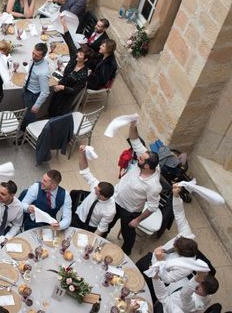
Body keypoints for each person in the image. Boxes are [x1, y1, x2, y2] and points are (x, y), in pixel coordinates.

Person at [137, 183, 203, 304]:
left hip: (157, 277)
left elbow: (167, 278)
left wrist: (160, 261)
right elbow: (179, 213)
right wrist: (176, 196)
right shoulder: (186, 234)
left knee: (144, 294)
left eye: (175, 248)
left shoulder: (186, 268)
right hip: (150, 260)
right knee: (136, 270)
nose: (173, 246)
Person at [105, 120, 162, 255]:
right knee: (107, 223)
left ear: (147, 166)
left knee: (128, 234)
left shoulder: (154, 186)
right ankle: (101, 239)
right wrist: (133, 126)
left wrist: (138, 220)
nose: (138, 159)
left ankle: (126, 253)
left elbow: (153, 206)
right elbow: (135, 141)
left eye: (141, 159)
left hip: (130, 211)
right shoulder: (145, 161)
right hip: (116, 199)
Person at [47, 16, 90, 117]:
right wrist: (64, 24)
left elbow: (74, 90)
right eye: (78, 53)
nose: (77, 55)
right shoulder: (75, 57)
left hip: (65, 97)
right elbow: (69, 41)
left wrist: (62, 87)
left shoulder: (83, 74)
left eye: (80, 55)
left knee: (58, 113)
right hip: (59, 89)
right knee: (52, 108)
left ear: (85, 59)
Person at [62, 18, 118, 91]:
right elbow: (94, 62)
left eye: (103, 46)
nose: (100, 47)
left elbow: (101, 80)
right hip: (91, 73)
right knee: (76, 57)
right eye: (101, 45)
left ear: (108, 50)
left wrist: (89, 73)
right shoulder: (102, 55)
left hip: (94, 83)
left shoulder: (109, 64)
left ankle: (69, 90)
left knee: (75, 77)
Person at [71, 146, 116, 236]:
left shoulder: (110, 210)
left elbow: (102, 228)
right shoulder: (97, 185)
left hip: (90, 227)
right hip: (78, 216)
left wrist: (92, 240)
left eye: (97, 190)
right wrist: (83, 154)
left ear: (103, 197)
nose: (94, 188)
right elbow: (85, 171)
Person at [152, 272, 218, 313]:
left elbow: (184, 293)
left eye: (197, 282)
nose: (196, 282)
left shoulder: (191, 300)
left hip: (165, 309)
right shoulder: (208, 297)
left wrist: (155, 277)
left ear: (200, 290)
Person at [20, 42, 50, 130]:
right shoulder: (35, 60)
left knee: (29, 117)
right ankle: (22, 125)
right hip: (27, 89)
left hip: (33, 95)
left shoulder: (43, 73)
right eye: (33, 53)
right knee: (25, 112)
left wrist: (36, 106)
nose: (33, 56)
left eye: (37, 55)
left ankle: (25, 133)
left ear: (43, 56)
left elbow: (45, 92)